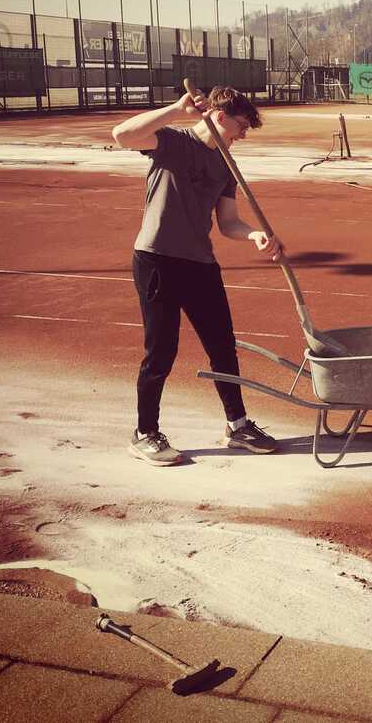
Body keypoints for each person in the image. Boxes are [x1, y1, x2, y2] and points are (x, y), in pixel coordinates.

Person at [111, 85, 283, 465]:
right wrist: (176, 108)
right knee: (161, 350)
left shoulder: (226, 164)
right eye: (240, 126)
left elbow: (228, 223)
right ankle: (145, 432)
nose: (242, 135)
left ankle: (237, 426)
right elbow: (121, 135)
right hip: (157, 259)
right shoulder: (171, 142)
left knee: (223, 345)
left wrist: (253, 234)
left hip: (200, 263)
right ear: (219, 117)